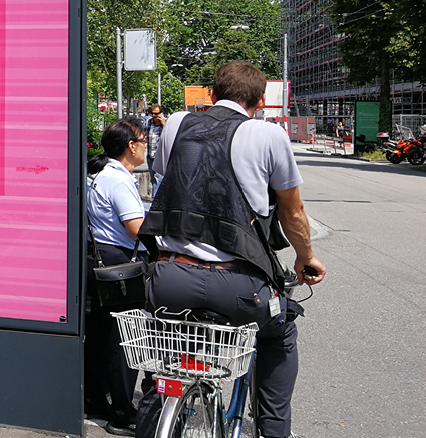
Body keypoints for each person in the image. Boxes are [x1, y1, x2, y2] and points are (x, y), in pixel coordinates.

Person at [136, 62, 326, 438]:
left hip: (169, 278)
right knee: (281, 333)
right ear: (259, 101)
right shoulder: (269, 136)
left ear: (211, 94)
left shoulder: (175, 123)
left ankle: (154, 416)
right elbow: (293, 211)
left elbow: (164, 174)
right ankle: (274, 432)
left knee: (166, 353)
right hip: (237, 287)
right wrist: (307, 257)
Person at [84, 118, 150, 437]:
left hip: (100, 262)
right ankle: (122, 413)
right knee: (126, 340)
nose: (147, 143)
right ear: (131, 146)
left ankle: (95, 400)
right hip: (121, 266)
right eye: (144, 138)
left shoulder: (101, 174)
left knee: (100, 335)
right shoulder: (120, 181)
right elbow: (135, 228)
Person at [146, 104, 167, 194]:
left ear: (161, 113)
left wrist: (163, 124)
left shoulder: (166, 123)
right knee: (153, 179)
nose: (154, 116)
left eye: (156, 113)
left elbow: (168, 136)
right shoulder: (149, 122)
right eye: (152, 113)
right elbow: (144, 136)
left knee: (158, 178)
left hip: (160, 156)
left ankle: (154, 201)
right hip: (150, 155)